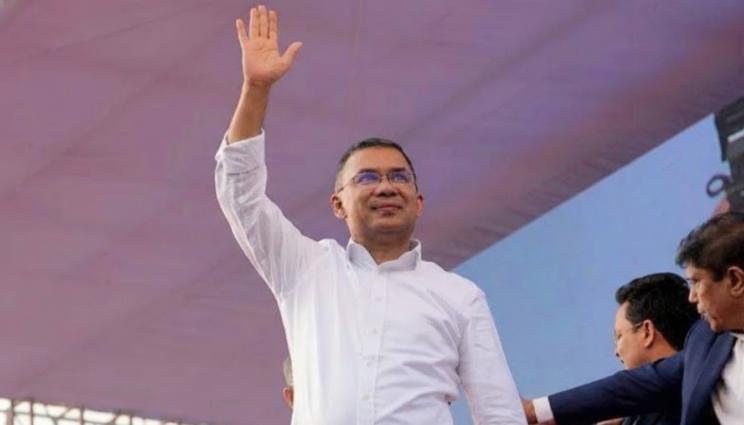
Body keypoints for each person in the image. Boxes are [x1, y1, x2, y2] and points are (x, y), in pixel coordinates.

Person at [214, 5, 526, 424]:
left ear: (419, 201)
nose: (385, 186)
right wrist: (255, 88)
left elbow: (499, 411)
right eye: (367, 178)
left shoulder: (460, 296)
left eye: (399, 177)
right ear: (337, 204)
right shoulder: (305, 268)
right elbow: (241, 197)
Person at [523, 212, 744, 425]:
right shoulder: (704, 341)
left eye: (696, 282)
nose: (692, 297)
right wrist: (536, 410)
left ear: (735, 281)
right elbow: (631, 387)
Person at [600, 273, 699, 425]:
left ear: (647, 332)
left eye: (619, 336)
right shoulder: (637, 410)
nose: (616, 352)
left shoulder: (688, 405)